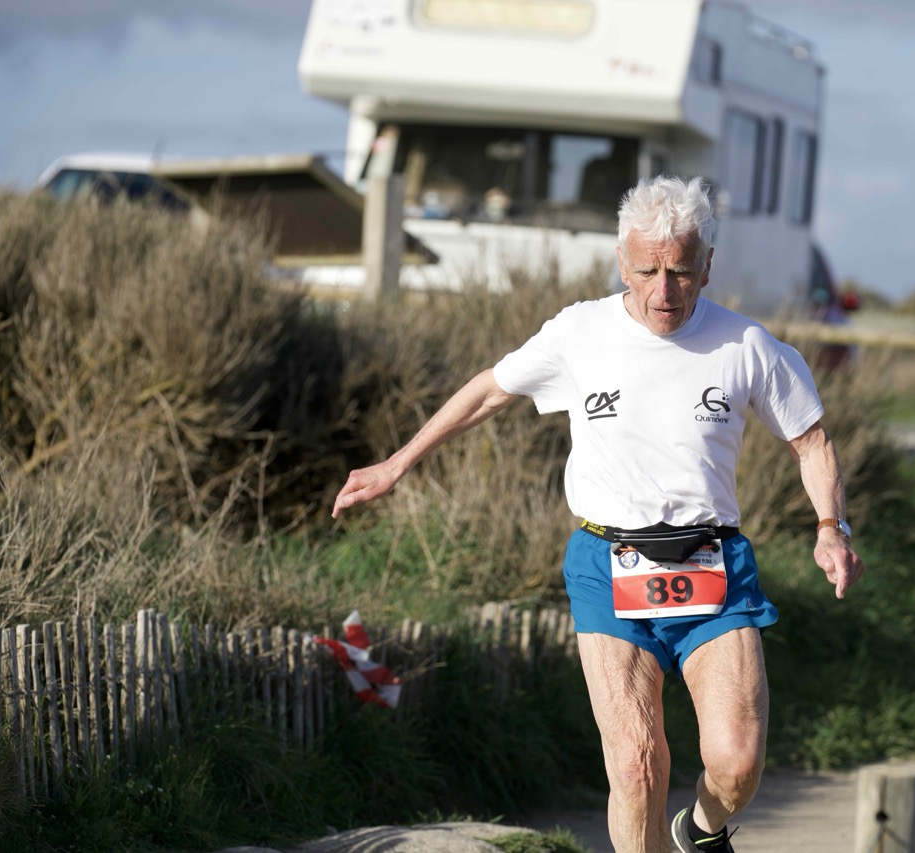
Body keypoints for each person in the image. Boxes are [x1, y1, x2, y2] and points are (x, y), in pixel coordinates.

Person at [332, 175, 866, 853]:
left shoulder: (747, 346)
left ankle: (700, 834)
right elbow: (489, 392)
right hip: (607, 563)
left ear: (707, 265)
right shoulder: (579, 331)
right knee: (638, 765)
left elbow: (810, 440)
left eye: (680, 271)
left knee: (736, 763)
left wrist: (830, 528)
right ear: (621, 261)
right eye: (646, 271)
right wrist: (397, 462)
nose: (663, 290)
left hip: (713, 562)